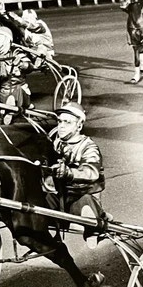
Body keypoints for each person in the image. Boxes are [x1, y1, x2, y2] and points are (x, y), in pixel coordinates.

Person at [43, 102, 107, 249]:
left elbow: (92, 172)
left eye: (67, 122)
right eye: (59, 121)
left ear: (79, 126)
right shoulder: (57, 142)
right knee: (37, 201)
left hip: (82, 194)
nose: (61, 126)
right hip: (60, 194)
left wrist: (69, 173)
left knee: (85, 205)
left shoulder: (88, 147)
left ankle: (95, 223)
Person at [0, 27, 34, 125]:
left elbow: (30, 67)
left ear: (5, 39)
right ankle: (4, 109)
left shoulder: (16, 52)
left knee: (13, 96)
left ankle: (9, 111)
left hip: (16, 88)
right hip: (0, 89)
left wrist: (21, 64)